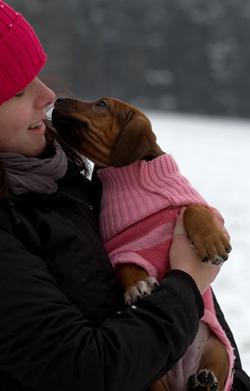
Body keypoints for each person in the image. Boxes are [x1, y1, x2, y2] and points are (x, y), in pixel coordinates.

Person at [0, 1, 249, 390]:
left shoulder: (72, 182)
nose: (47, 94)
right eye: (17, 91)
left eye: (39, 75)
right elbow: (86, 370)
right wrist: (185, 283)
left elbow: (205, 317)